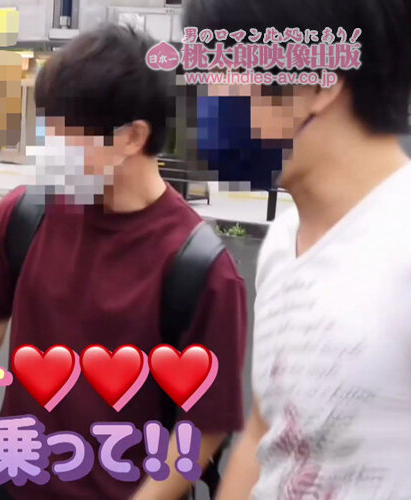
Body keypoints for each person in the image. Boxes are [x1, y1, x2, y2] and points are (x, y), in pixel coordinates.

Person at [0, 24, 248, 500]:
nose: (49, 145)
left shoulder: (201, 268)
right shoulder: (26, 214)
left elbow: (205, 424)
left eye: (65, 132)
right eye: (47, 126)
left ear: (132, 137)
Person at [183, 0, 411, 497]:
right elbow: (267, 434)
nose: (205, 101)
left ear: (319, 82)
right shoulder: (282, 246)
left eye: (222, 70)